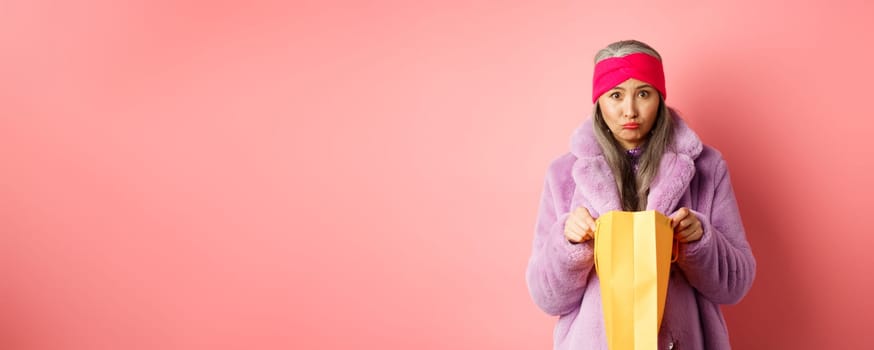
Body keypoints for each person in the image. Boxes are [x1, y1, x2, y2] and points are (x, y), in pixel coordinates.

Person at [525, 40, 756, 349]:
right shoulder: (563, 174)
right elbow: (545, 297)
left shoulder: (708, 168)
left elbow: (735, 285)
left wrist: (700, 240)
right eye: (616, 95)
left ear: (660, 98)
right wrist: (567, 244)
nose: (629, 111)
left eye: (643, 94)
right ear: (599, 101)